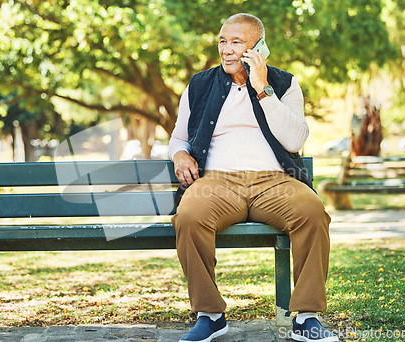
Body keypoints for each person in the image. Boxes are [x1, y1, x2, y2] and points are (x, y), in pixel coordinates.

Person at [169, 13, 339, 342]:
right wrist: (179, 155)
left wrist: (262, 88)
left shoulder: (284, 83)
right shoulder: (200, 85)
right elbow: (178, 138)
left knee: (313, 212)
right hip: (217, 182)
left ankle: (305, 316)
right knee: (188, 217)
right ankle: (210, 314)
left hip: (275, 181)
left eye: (237, 42)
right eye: (222, 41)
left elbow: (295, 140)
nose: (227, 49)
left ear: (259, 47)